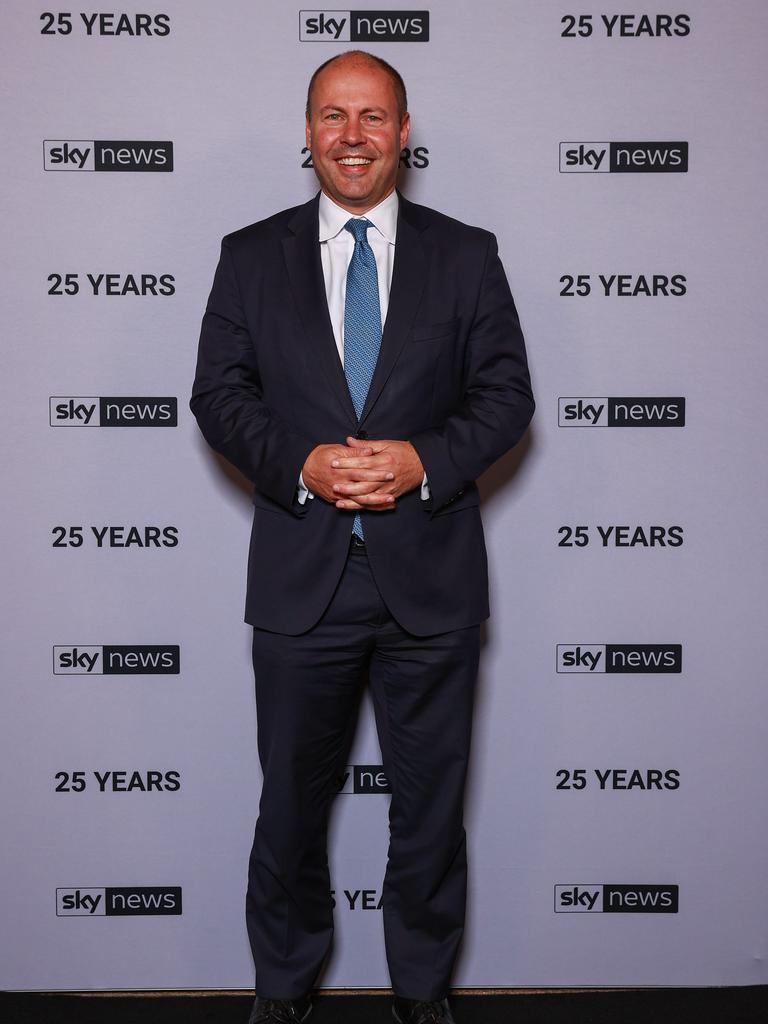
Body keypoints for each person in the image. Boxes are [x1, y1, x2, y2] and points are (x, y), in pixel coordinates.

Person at [191, 50, 534, 1024]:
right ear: (306, 133)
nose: (353, 135)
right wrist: (297, 462)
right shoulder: (250, 256)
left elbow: (507, 394)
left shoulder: (467, 254)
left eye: (373, 116)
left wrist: (423, 459)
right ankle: (284, 988)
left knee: (429, 814)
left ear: (404, 130)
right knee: (290, 810)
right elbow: (219, 395)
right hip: (304, 580)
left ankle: (423, 995)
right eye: (334, 116)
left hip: (430, 578)